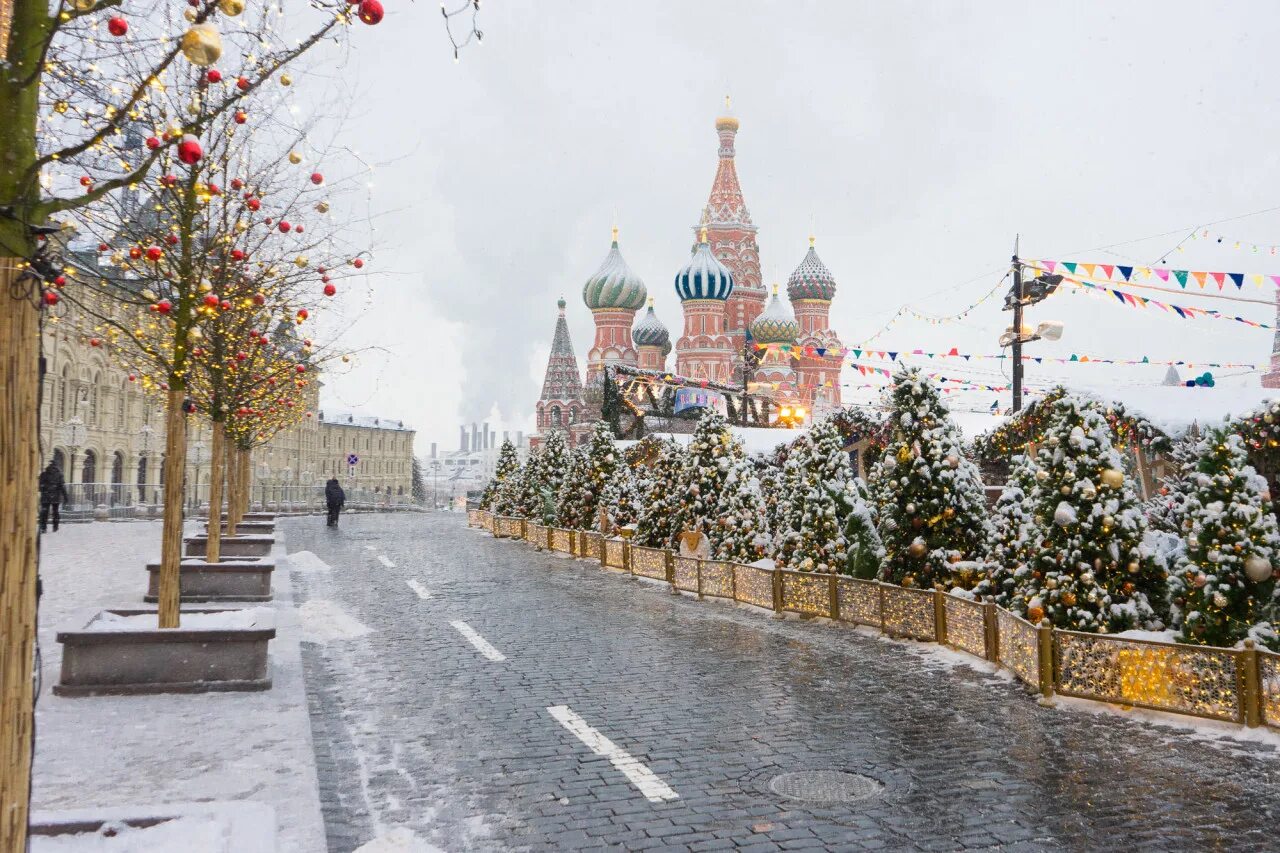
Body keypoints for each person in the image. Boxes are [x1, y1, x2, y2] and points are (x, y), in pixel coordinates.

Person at [38, 460, 68, 534]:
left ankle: (43, 528)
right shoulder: (59, 475)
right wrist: (65, 496)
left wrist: (44, 489)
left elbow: (39, 486)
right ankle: (55, 527)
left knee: (44, 512)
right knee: (55, 512)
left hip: (45, 496)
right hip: (56, 496)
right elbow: (62, 486)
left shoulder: (44, 474)